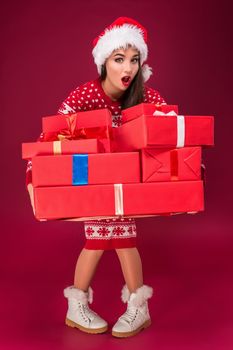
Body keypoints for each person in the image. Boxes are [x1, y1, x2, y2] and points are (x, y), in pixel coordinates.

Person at [26, 17, 166, 338]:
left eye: (134, 59)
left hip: (128, 183)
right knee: (101, 236)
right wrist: (37, 175)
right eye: (119, 59)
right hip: (89, 179)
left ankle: (129, 306)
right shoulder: (84, 96)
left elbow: (172, 133)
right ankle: (87, 305)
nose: (127, 67)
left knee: (122, 235)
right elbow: (51, 135)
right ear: (105, 62)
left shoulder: (147, 96)